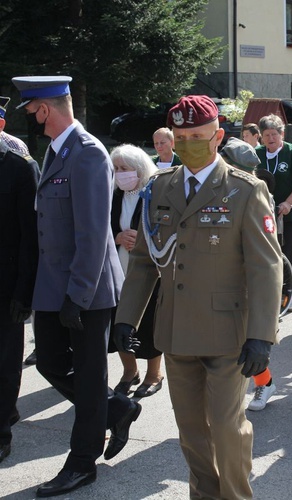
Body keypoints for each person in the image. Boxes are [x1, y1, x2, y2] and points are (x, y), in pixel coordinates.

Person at [114, 95, 282, 498]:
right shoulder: (160, 187)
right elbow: (142, 262)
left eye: (198, 136)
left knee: (227, 428)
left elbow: (266, 267)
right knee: (190, 431)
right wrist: (125, 318)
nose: (188, 142)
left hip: (229, 334)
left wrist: (262, 334)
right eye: (182, 136)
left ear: (217, 136)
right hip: (177, 331)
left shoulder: (245, 190)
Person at [12, 75, 140, 497]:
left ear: (44, 110)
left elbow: (91, 233)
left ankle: (82, 463)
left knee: (87, 377)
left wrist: (78, 296)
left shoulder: (86, 154)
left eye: (31, 111)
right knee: (49, 362)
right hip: (55, 286)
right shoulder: (56, 150)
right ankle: (117, 407)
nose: (30, 119)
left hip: (85, 288)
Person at [0, 107, 39, 465]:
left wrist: (24, 292)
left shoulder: (19, 167)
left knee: (6, 361)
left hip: (6, 285)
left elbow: (31, 238)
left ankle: (2, 433)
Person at [109, 145, 163, 398]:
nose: (120, 174)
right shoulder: (112, 195)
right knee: (119, 322)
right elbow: (100, 227)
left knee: (150, 321)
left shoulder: (153, 194)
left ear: (139, 169)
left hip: (148, 272)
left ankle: (154, 374)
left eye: (125, 169)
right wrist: (117, 236)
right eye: (116, 169)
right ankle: (129, 371)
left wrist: (141, 238)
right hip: (117, 270)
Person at [256, 114, 292, 313]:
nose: (270, 138)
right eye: (266, 135)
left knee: (289, 251)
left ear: (282, 134)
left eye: (274, 134)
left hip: (289, 214)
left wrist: (288, 203)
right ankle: (270, 293)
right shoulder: (257, 153)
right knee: (266, 253)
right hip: (262, 213)